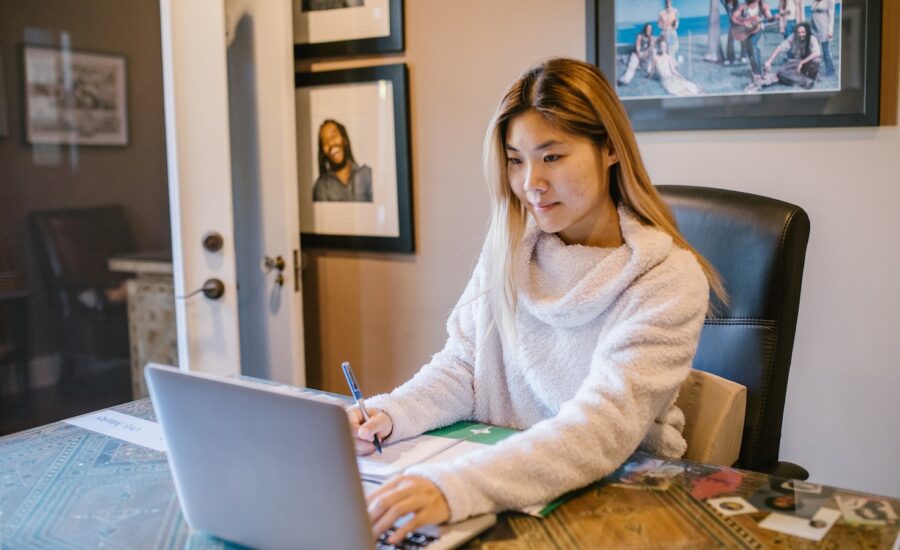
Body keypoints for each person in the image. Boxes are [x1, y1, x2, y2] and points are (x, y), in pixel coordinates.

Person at [348, 58, 725, 544]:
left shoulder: (667, 278)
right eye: (515, 159)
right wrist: (391, 413)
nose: (531, 183)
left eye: (551, 157)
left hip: (619, 498)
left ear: (610, 148)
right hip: (505, 487)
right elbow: (466, 367)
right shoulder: (510, 248)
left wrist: (456, 487)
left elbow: (601, 429)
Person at [312, 119, 373, 202]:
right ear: (323, 151)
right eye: (325, 141)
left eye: (334, 135)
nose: (331, 143)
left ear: (344, 139)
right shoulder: (321, 187)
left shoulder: (367, 174)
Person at [764, 22, 821, 89]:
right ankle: (806, 81)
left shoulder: (812, 38)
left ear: (807, 32)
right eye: (799, 32)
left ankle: (809, 77)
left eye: (803, 32)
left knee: (816, 60)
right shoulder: (793, 37)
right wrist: (769, 61)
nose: (801, 34)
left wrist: (802, 62)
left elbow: (817, 53)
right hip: (796, 62)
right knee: (781, 72)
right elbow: (780, 48)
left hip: (808, 63)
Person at [732, 0, 777, 84]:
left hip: (757, 29)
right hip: (746, 31)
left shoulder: (763, 5)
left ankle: (758, 74)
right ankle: (756, 71)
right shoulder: (744, 6)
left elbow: (769, 17)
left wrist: (773, 18)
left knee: (753, 46)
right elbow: (734, 17)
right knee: (750, 51)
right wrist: (743, 21)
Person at [810, 0, 836, 76]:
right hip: (814, 27)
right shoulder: (815, 1)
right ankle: (817, 71)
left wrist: (830, 30)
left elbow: (831, 15)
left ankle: (831, 71)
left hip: (823, 28)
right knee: (814, 50)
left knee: (826, 51)